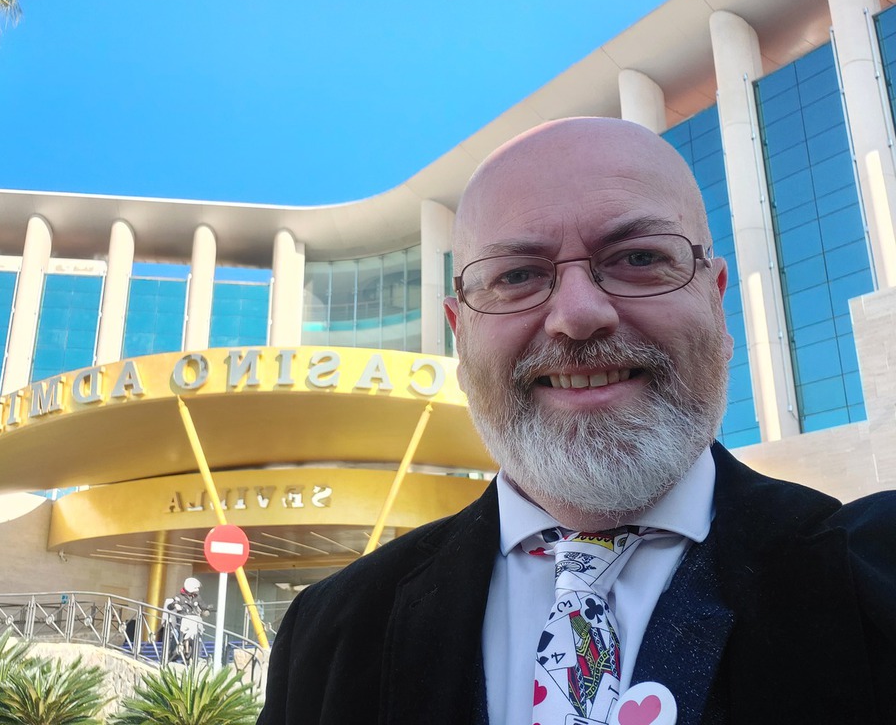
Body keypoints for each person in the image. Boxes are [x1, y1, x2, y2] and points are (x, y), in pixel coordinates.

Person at [257, 118, 896, 724]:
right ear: (460, 334)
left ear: (716, 300)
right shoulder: (329, 634)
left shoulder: (877, 574)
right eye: (516, 275)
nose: (578, 315)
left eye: (638, 258)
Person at [164, 576, 208, 664]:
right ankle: (172, 655)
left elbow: (203, 606)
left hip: (194, 621)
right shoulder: (179, 597)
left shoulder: (197, 597)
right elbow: (170, 606)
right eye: (196, 588)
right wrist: (175, 605)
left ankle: (195, 656)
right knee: (176, 635)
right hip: (182, 621)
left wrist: (207, 610)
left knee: (198, 635)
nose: (197, 590)